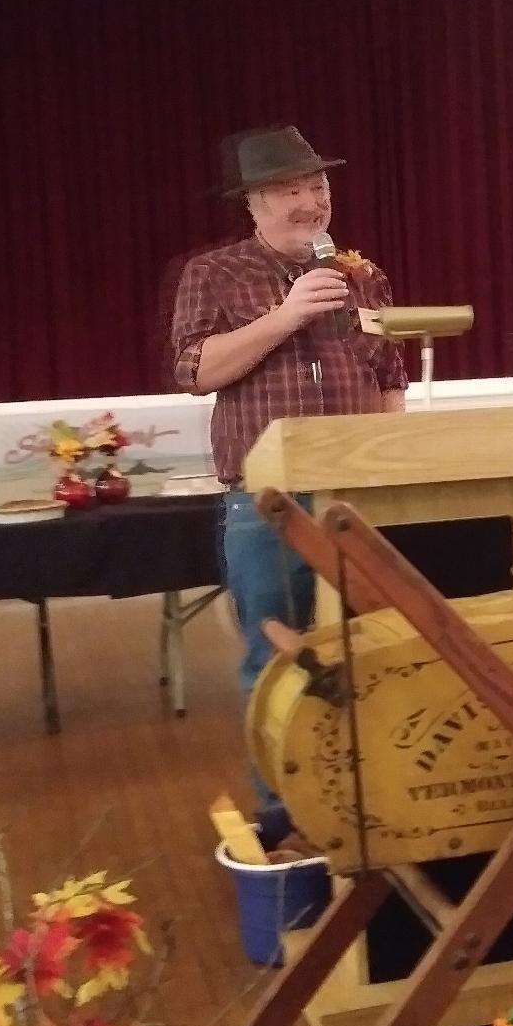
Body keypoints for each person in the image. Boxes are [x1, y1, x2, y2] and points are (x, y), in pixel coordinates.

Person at [171, 125, 408, 811]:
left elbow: (390, 373)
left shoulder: (363, 275)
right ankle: (286, 818)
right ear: (252, 204)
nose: (311, 201)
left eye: (319, 186)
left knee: (372, 650)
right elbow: (193, 371)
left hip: (355, 496)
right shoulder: (212, 274)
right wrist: (285, 316)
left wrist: (387, 468)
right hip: (266, 500)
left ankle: (370, 804)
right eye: (290, 190)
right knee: (276, 657)